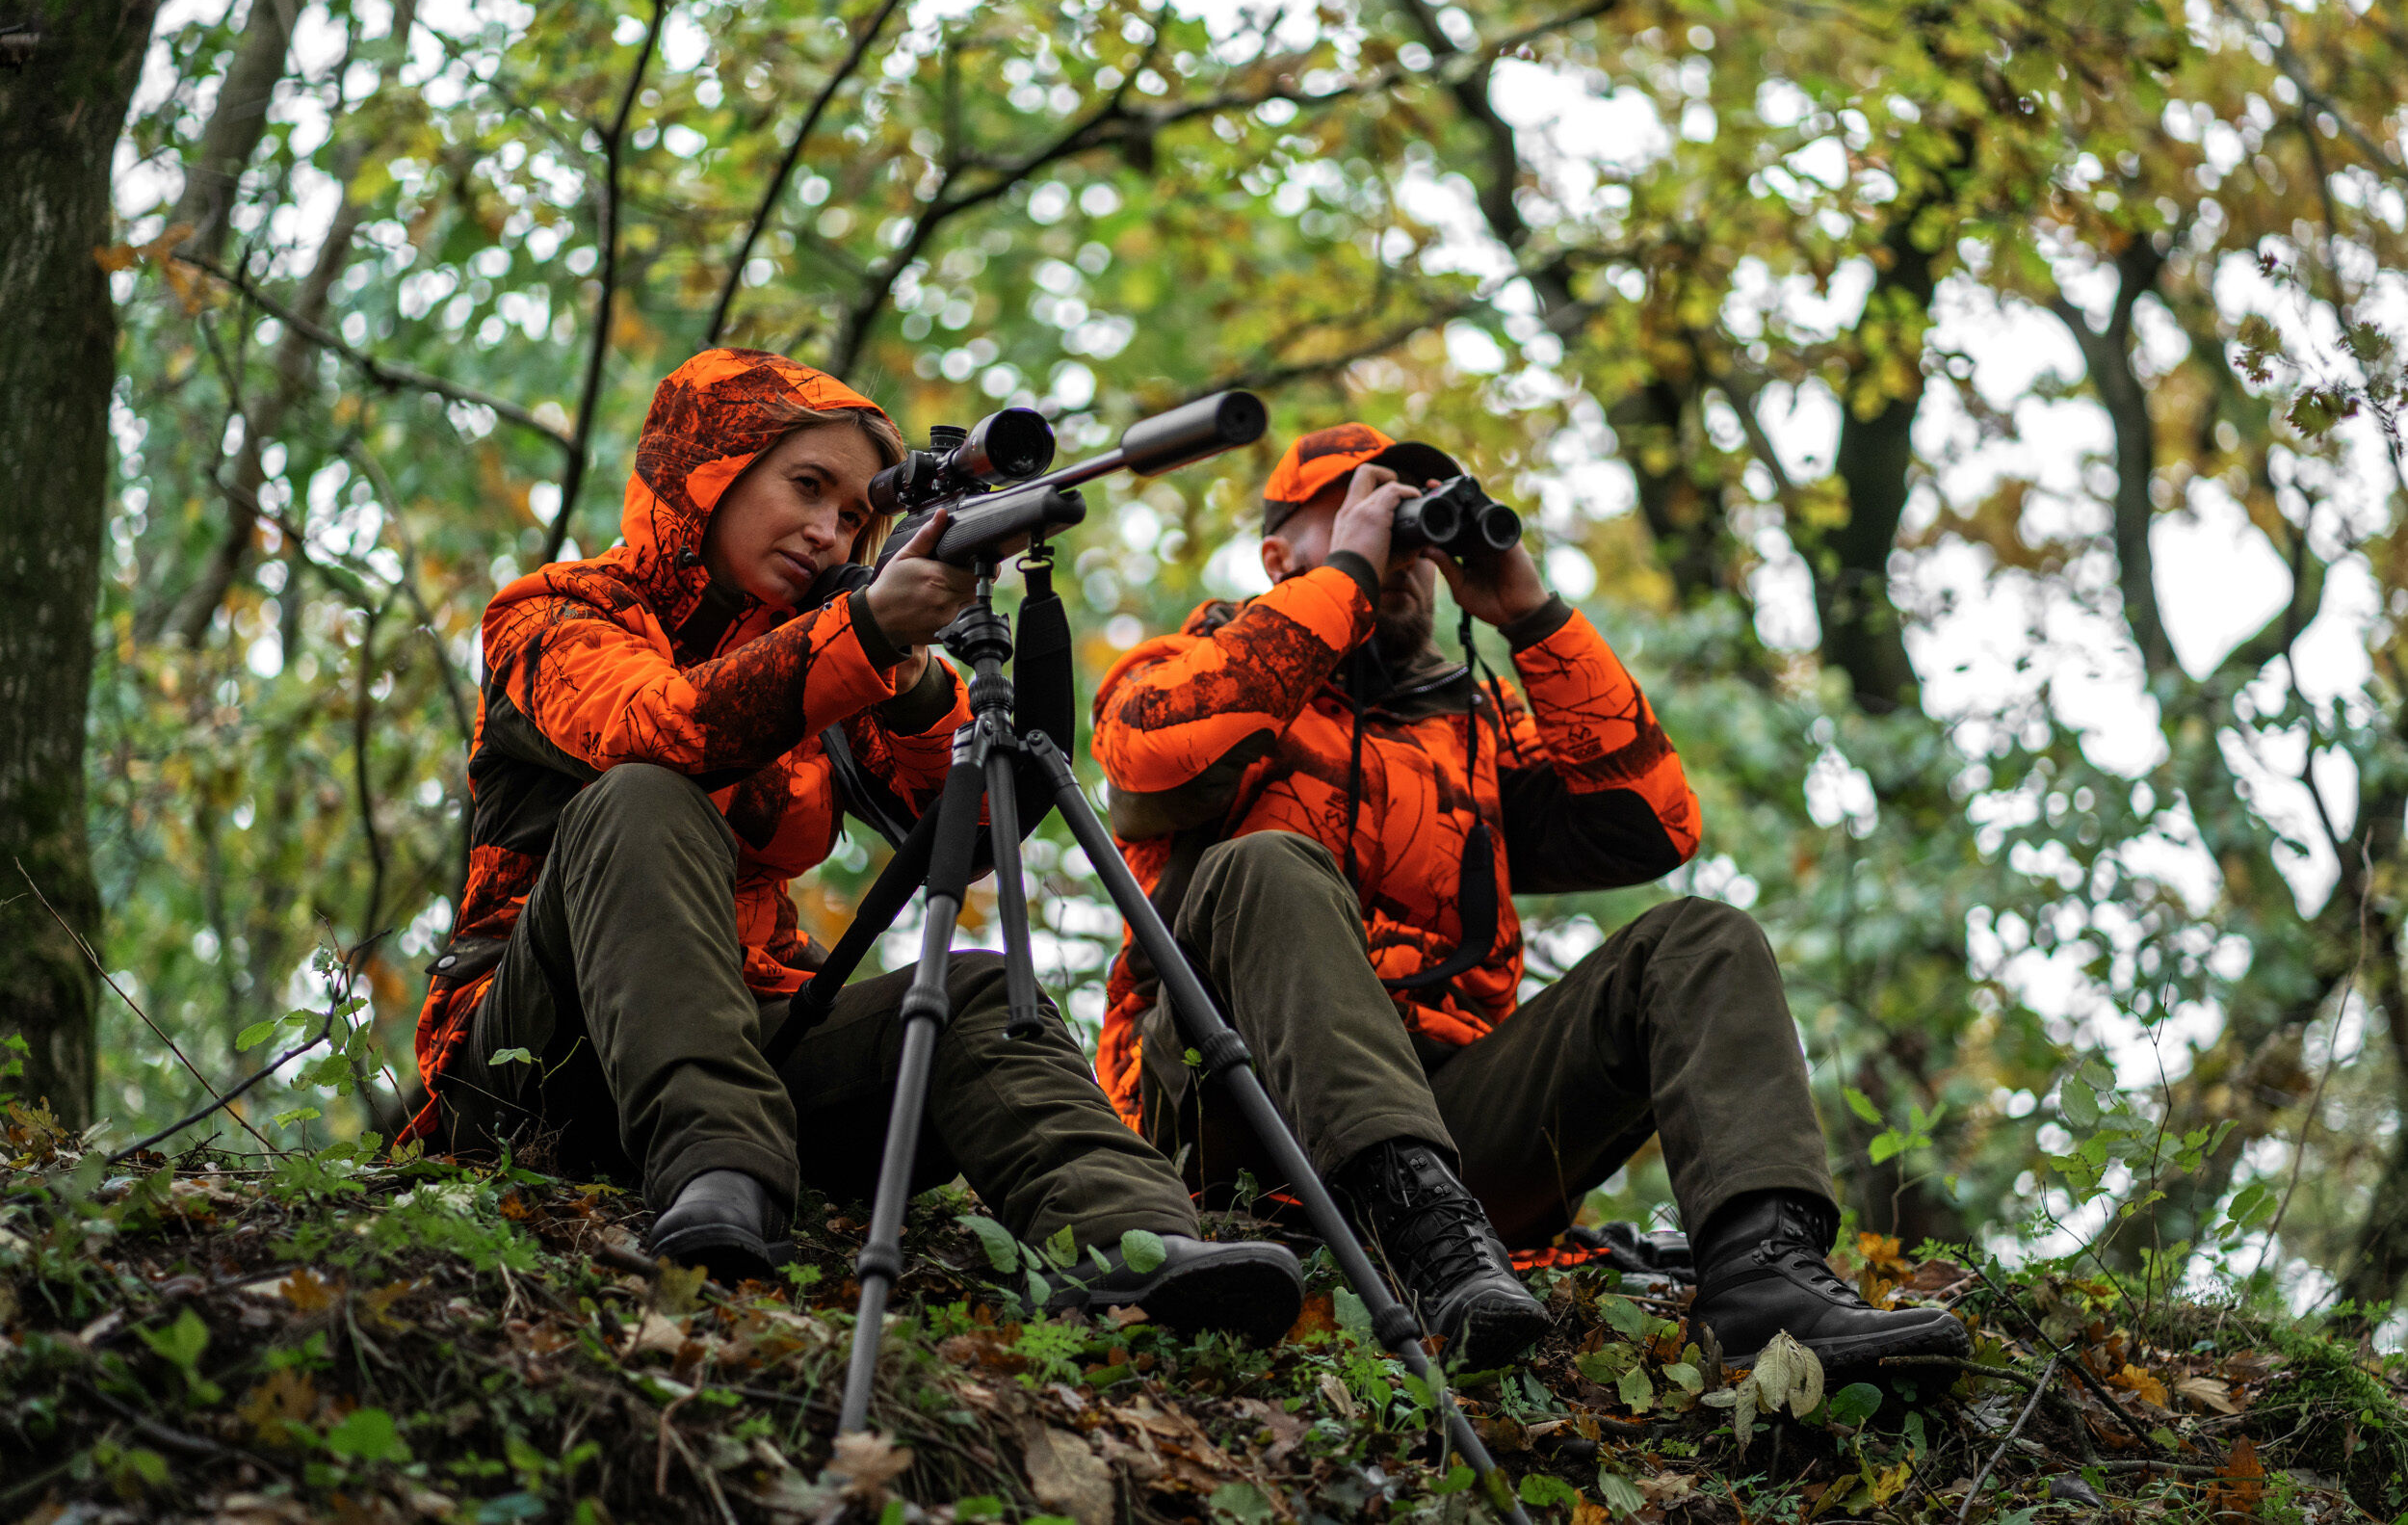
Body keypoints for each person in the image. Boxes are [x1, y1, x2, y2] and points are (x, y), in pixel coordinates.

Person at [402, 349, 1303, 1342]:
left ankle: (1131, 1242)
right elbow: (656, 726)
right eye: (806, 486)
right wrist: (864, 629)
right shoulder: (554, 612)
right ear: (710, 471)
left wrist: (912, 678)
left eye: (850, 515)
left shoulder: (829, 638)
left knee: (972, 989)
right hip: (536, 1067)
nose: (827, 530)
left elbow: (969, 836)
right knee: (644, 794)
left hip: (747, 1045)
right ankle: (720, 1175)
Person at [1087, 422, 1970, 1372]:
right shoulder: (1190, 665)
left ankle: (1769, 1289)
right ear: (1278, 556)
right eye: (1360, 504)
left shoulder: (1474, 726)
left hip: (1449, 1139)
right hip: (1225, 1114)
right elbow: (1149, 754)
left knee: (1700, 940)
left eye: (1410, 515)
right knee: (1267, 862)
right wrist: (1346, 575)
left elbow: (1656, 822)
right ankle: (1425, 1237)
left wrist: (1529, 613)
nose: (1396, 537)